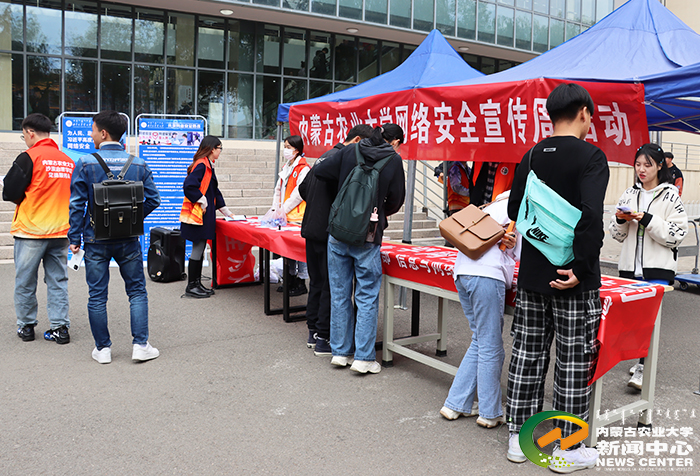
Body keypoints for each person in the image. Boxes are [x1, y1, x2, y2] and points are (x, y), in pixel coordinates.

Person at [505, 84, 609, 472]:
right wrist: (580, 268)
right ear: (583, 112)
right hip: (573, 279)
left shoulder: (531, 155)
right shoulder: (591, 157)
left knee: (527, 354)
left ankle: (519, 439)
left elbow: (515, 209)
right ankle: (566, 447)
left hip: (533, 274)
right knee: (573, 362)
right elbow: (591, 215)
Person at [68, 111, 161, 364]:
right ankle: (140, 345)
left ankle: (103, 350)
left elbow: (77, 205)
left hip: (95, 239)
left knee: (97, 295)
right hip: (128, 239)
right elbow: (154, 199)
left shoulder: (85, 163)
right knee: (137, 292)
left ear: (103, 133)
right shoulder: (139, 164)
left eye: (93, 130)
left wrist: (74, 237)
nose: (91, 134)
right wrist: (132, 218)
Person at [314, 124, 406, 374]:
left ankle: (340, 352)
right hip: (369, 234)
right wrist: (376, 210)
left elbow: (320, 171)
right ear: (395, 142)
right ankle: (364, 358)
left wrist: (344, 195)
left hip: (338, 231)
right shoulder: (393, 160)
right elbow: (396, 200)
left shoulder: (351, 150)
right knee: (366, 296)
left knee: (340, 294)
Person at [610, 143, 688, 390]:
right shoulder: (628, 194)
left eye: (647, 165)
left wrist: (647, 219)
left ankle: (643, 368)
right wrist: (620, 220)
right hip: (629, 270)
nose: (641, 170)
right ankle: (640, 360)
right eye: (638, 164)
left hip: (658, 270)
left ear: (659, 166)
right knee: (631, 322)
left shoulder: (670, 196)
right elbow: (617, 235)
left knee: (649, 321)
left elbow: (677, 234)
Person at [439, 190, 520, 428]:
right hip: (487, 276)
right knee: (491, 345)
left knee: (480, 340)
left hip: (462, 272)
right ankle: (489, 412)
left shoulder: (494, 204)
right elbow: (519, 253)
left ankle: (455, 404)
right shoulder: (519, 209)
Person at [298, 124, 373, 355]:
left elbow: (303, 189)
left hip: (311, 227)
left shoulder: (325, 156)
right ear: (357, 140)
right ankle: (324, 337)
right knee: (331, 286)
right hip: (328, 231)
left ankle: (313, 332)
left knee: (317, 282)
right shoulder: (344, 159)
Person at [3, 113, 74, 344]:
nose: (24, 139)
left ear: (30, 132)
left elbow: (9, 192)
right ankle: (60, 328)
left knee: (25, 281)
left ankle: (26, 327)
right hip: (61, 231)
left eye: (23, 135)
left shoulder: (29, 157)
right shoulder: (67, 160)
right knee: (58, 281)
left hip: (31, 231)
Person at [181, 136, 233, 298]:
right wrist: (202, 200)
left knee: (200, 247)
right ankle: (192, 286)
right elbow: (189, 186)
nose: (220, 152)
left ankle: (196, 284)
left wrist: (226, 211)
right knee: (198, 247)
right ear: (212, 149)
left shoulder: (207, 165)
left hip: (203, 215)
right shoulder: (202, 165)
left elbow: (214, 191)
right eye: (219, 148)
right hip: (199, 215)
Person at [271, 135, 310, 296]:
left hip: (297, 217)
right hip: (285, 216)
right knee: (289, 251)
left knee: (300, 251)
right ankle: (290, 279)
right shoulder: (287, 166)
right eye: (285, 146)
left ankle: (301, 282)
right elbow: (278, 190)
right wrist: (275, 209)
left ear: (297, 149)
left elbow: (297, 195)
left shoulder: (304, 169)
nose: (286, 150)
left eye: (289, 147)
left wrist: (282, 210)